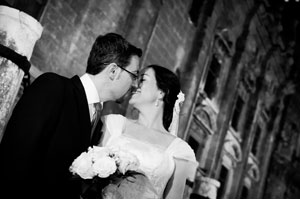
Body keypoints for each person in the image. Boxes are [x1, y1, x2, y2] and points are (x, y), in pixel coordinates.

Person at [0, 33, 142, 199]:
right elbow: (13, 158)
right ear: (113, 71)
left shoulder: (98, 121)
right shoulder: (53, 88)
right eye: (134, 75)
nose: (135, 84)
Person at [99, 64, 198, 199]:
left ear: (161, 92)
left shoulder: (179, 150)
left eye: (143, 80)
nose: (135, 84)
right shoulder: (113, 124)